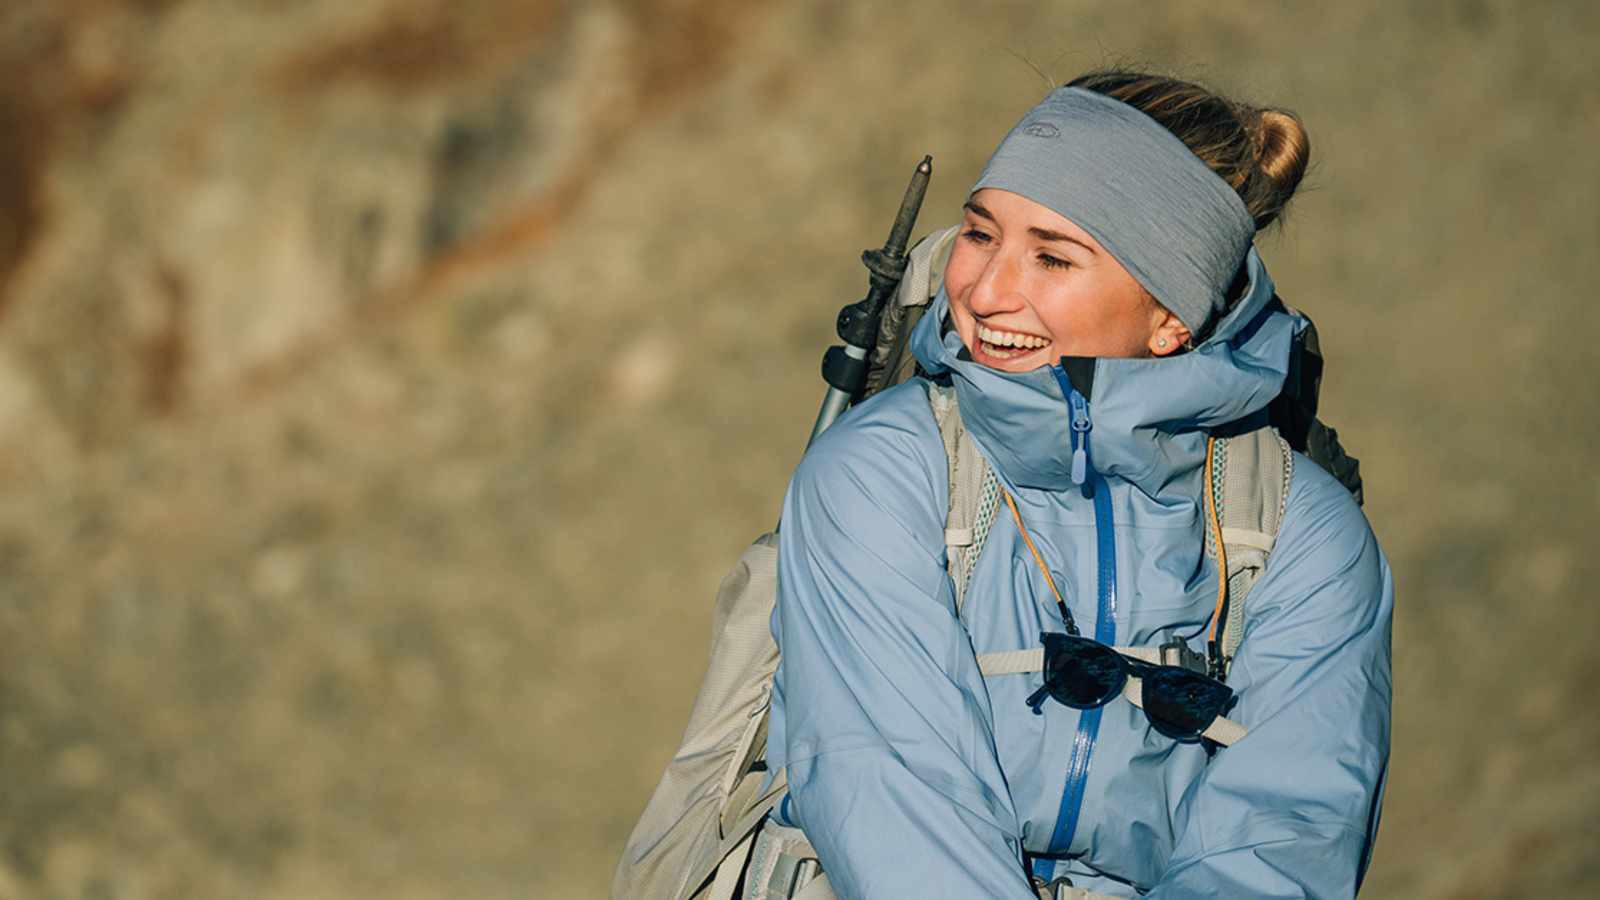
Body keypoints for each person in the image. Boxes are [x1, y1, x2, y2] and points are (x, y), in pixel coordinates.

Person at [764, 71, 1393, 898]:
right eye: (981, 234)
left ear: (1173, 315)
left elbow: (1283, 845)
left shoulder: (1299, 536)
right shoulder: (880, 472)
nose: (985, 293)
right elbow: (891, 799)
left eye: (1052, 257)